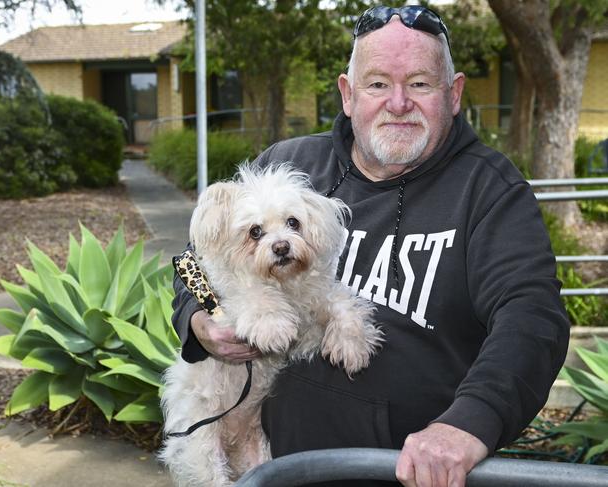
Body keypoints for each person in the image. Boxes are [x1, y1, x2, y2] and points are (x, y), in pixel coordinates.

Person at [171, 5, 570, 487]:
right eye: (378, 83)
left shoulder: (489, 191)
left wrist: (467, 424)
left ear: (455, 93)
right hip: (269, 466)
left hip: (397, 472)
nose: (398, 102)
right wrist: (198, 320)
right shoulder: (289, 164)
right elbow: (197, 259)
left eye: (420, 84)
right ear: (348, 93)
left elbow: (533, 319)